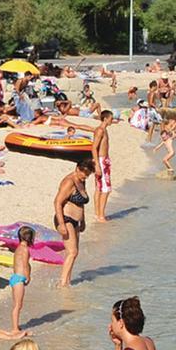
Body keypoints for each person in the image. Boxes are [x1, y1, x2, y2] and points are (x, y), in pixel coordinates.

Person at [55, 158, 92, 288]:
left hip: (76, 220)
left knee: (73, 253)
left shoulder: (82, 181)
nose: (85, 176)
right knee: (73, 252)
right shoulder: (69, 182)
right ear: (77, 168)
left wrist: (83, 220)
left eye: (88, 174)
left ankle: (67, 280)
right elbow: (57, 202)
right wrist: (61, 224)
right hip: (66, 218)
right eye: (84, 173)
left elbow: (81, 203)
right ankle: (62, 284)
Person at [5, 228, 35, 333]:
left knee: (18, 304)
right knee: (18, 305)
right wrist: (28, 276)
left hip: (16, 277)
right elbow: (25, 264)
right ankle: (14, 329)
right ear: (30, 238)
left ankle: (16, 326)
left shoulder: (19, 248)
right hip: (19, 279)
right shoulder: (25, 249)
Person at [91, 109, 115, 217]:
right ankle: (101, 215)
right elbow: (94, 148)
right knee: (106, 189)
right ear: (105, 119)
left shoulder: (103, 130)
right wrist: (97, 165)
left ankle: (98, 214)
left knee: (99, 188)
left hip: (103, 160)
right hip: (101, 161)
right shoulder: (100, 130)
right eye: (111, 119)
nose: (112, 121)